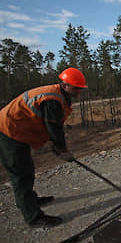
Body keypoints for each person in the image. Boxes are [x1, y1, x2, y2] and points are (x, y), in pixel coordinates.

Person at [0, 67, 87, 228]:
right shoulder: (53, 99)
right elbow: (53, 127)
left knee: (27, 170)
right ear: (65, 84)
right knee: (21, 175)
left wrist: (56, 145)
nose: (78, 92)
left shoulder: (59, 95)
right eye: (76, 88)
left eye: (80, 89)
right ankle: (33, 217)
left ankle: (30, 200)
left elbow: (50, 124)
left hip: (19, 131)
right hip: (9, 131)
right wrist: (62, 150)